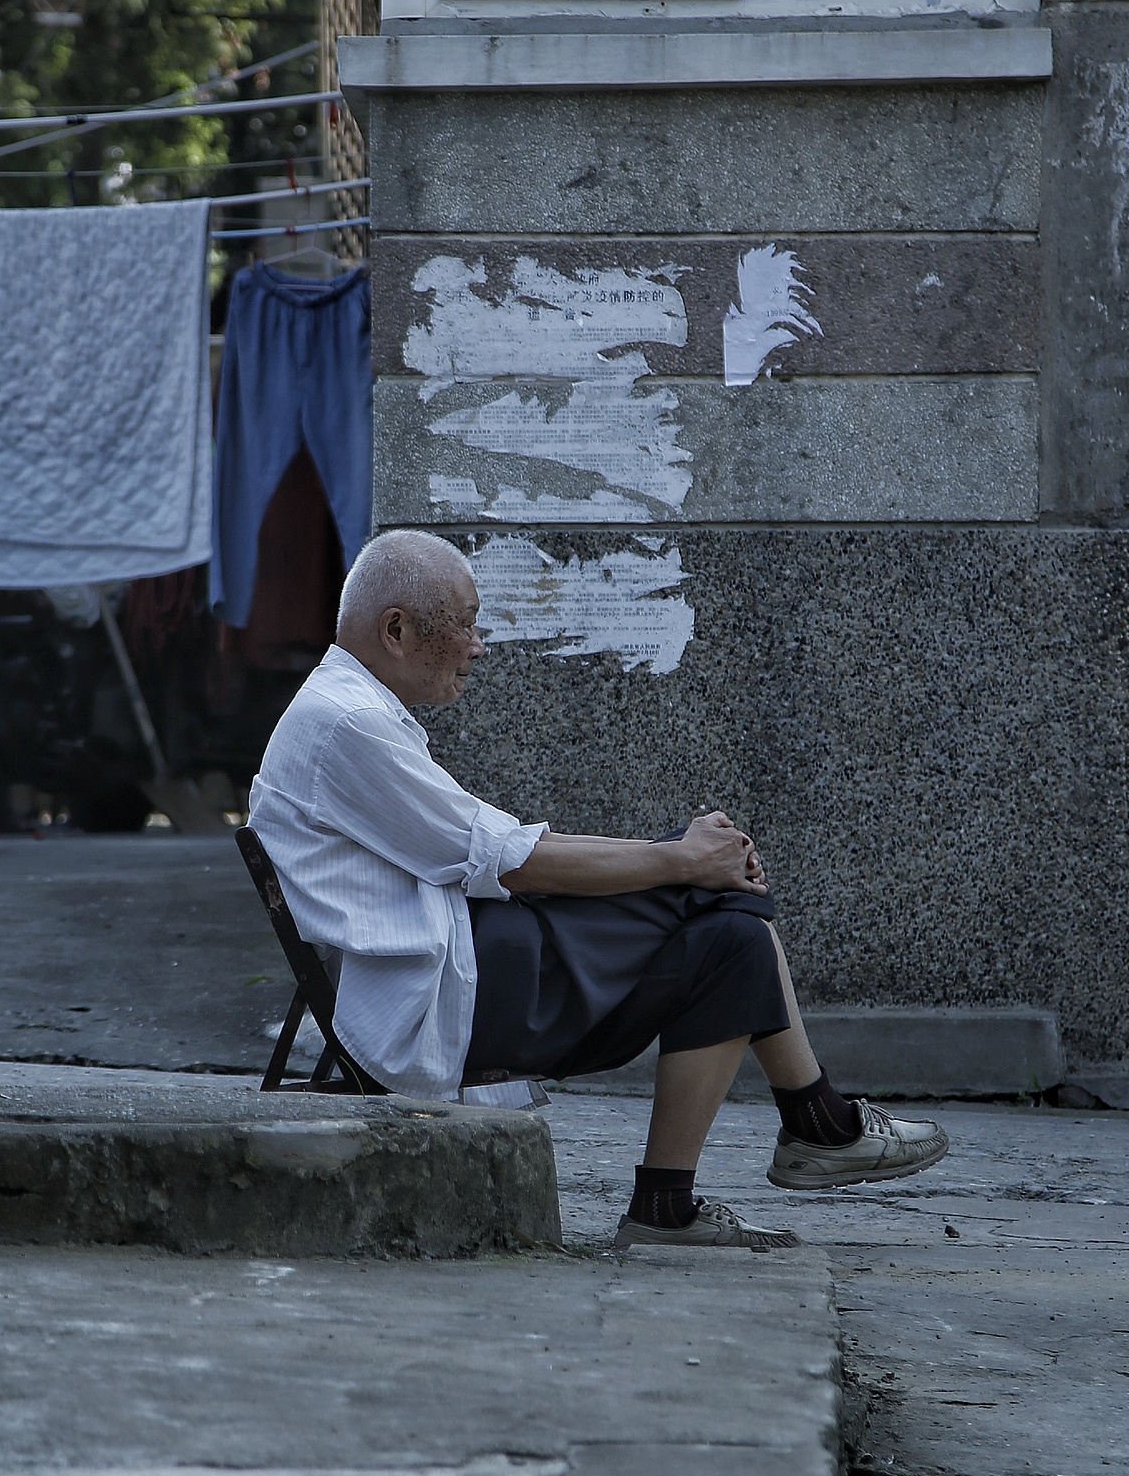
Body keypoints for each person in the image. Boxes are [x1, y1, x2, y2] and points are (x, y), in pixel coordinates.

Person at [249, 530, 948, 1249]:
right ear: (396, 630)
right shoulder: (348, 723)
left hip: (467, 961)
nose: (478, 645)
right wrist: (683, 859)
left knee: (732, 933)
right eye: (466, 621)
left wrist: (684, 857)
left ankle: (684, 1197)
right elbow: (513, 860)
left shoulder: (350, 709)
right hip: (441, 997)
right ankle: (816, 1122)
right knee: (716, 894)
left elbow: (507, 847)